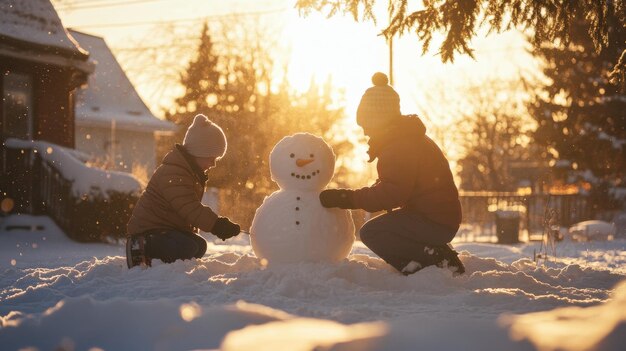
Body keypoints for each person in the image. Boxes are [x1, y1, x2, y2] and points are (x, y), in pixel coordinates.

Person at [319, 72, 465, 275]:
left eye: (367, 125)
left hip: (435, 222)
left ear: (379, 120)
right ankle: (433, 252)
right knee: (384, 227)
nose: (365, 132)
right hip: (436, 218)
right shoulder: (406, 139)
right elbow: (394, 186)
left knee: (373, 232)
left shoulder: (399, 146)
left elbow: (392, 193)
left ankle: (436, 261)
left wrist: (348, 198)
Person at [126, 114, 241, 268]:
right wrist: (217, 225)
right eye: (211, 158)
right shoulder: (174, 172)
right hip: (147, 231)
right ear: (199, 152)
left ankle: (162, 260)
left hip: (164, 230)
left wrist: (217, 225)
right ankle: (141, 248)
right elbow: (189, 208)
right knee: (188, 247)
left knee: (199, 245)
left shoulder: (187, 171)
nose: (213, 164)